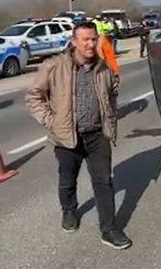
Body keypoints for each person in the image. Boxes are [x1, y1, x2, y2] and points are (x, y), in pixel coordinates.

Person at [25, 22, 131, 250]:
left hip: (97, 135)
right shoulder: (54, 66)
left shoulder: (102, 67)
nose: (91, 44)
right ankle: (69, 210)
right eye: (85, 39)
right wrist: (51, 121)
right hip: (67, 137)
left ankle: (109, 229)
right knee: (67, 179)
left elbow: (112, 93)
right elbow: (33, 97)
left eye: (94, 39)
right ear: (74, 42)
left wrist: (109, 117)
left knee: (104, 182)